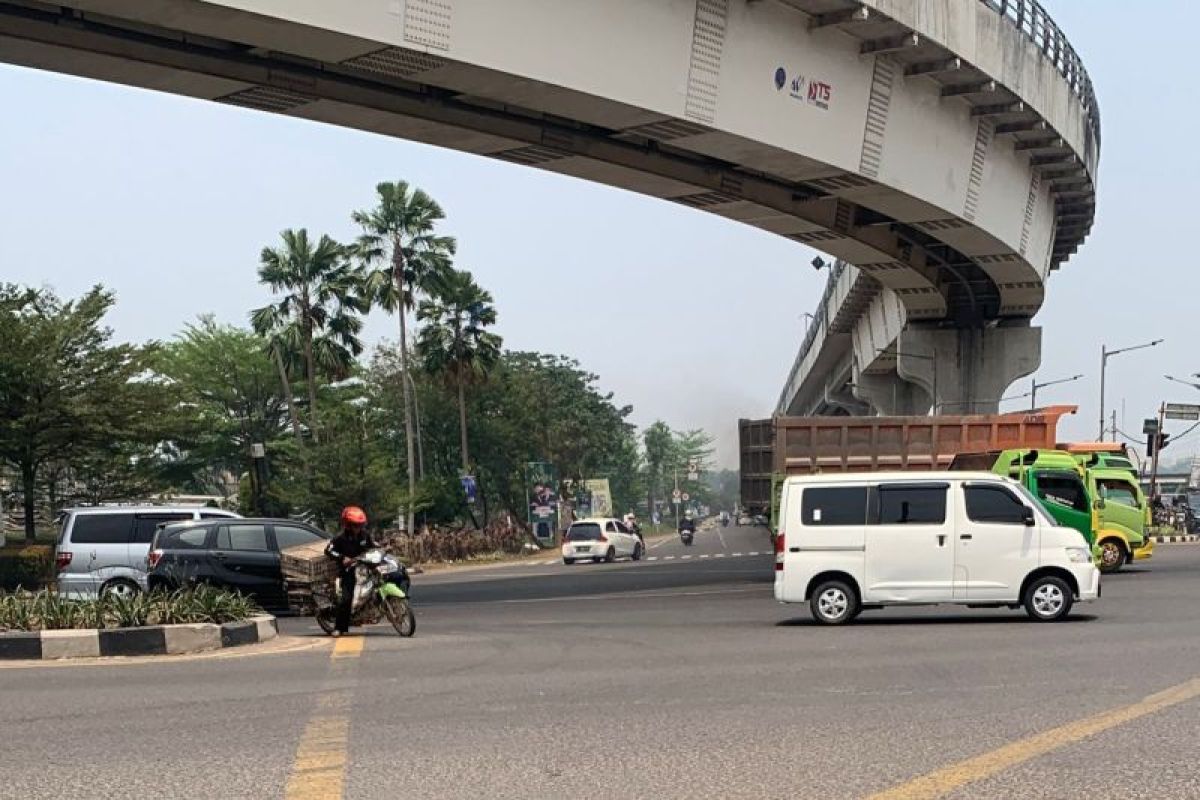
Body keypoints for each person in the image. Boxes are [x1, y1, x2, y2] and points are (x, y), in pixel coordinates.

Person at [325, 505, 374, 637]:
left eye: (360, 525)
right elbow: (328, 550)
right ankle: (339, 628)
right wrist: (342, 558)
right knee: (346, 599)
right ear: (348, 525)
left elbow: (373, 547)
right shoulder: (340, 538)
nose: (358, 528)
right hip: (348, 571)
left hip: (364, 568)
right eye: (355, 525)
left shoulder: (365, 535)